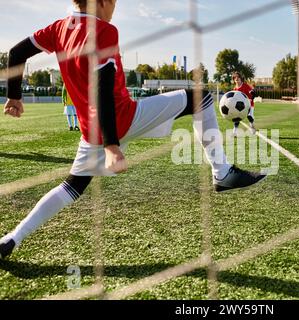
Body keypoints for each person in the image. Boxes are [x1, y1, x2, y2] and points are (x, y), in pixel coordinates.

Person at [0, 0, 266, 259]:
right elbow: (103, 88)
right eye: (114, 2)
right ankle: (222, 173)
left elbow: (16, 53)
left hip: (91, 131)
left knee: (72, 187)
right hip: (123, 118)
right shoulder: (104, 31)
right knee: (201, 98)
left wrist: (14, 96)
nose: (115, 8)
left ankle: (12, 238)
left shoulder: (58, 29)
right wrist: (112, 146)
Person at [231, 71, 256, 136]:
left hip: (249, 104)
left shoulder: (245, 85)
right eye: (235, 77)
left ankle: (252, 127)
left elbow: (253, 93)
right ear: (233, 79)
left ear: (241, 78)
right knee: (237, 118)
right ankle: (234, 132)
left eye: (238, 77)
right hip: (239, 106)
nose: (236, 78)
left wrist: (251, 96)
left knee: (249, 116)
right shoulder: (235, 88)